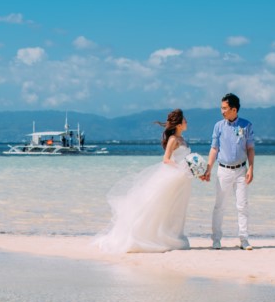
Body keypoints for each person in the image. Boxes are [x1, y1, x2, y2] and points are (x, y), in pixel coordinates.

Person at [94, 109, 193, 253]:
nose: (186, 123)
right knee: (163, 208)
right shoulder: (173, 140)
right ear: (178, 125)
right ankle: (157, 237)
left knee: (177, 209)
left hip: (182, 179)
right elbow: (166, 160)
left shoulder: (182, 139)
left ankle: (173, 236)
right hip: (174, 176)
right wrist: (181, 168)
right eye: (184, 121)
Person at [201, 93, 255, 250]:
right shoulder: (219, 126)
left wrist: (251, 168)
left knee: (242, 205)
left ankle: (244, 240)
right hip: (223, 170)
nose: (222, 111)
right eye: (221, 108)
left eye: (224, 108)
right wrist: (208, 169)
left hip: (241, 170)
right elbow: (214, 148)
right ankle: (216, 240)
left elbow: (250, 148)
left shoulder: (247, 125)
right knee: (220, 206)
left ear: (234, 109)